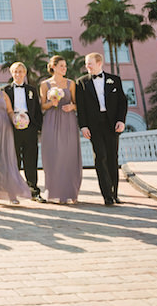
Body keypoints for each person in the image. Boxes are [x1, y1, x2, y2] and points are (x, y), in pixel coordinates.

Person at [76, 52, 127, 206]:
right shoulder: (81, 82)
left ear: (99, 63)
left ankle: (114, 193)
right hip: (94, 125)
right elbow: (81, 107)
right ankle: (107, 195)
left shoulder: (115, 80)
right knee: (100, 157)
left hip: (112, 124)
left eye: (89, 63)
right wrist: (83, 126)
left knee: (113, 157)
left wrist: (121, 121)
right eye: (86, 63)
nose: (87, 66)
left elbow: (122, 102)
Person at [0, 71, 30, 205]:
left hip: (5, 130)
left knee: (7, 161)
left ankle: (12, 194)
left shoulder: (3, 94)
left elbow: (9, 111)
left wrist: (16, 119)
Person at [40, 55, 82, 204]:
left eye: (65, 66)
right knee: (54, 156)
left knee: (68, 155)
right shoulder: (45, 85)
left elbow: (78, 104)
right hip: (51, 121)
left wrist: (72, 106)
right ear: (53, 67)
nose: (64, 69)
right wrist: (52, 103)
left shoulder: (71, 84)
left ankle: (71, 192)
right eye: (61, 66)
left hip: (68, 121)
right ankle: (54, 192)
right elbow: (42, 106)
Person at [4, 62, 46, 202]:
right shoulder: (5, 90)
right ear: (11, 73)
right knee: (14, 160)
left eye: (21, 71)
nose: (18, 74)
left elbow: (37, 110)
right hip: (13, 128)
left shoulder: (32, 90)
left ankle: (34, 190)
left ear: (25, 73)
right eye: (15, 71)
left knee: (31, 159)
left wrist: (38, 127)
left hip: (30, 129)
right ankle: (13, 191)